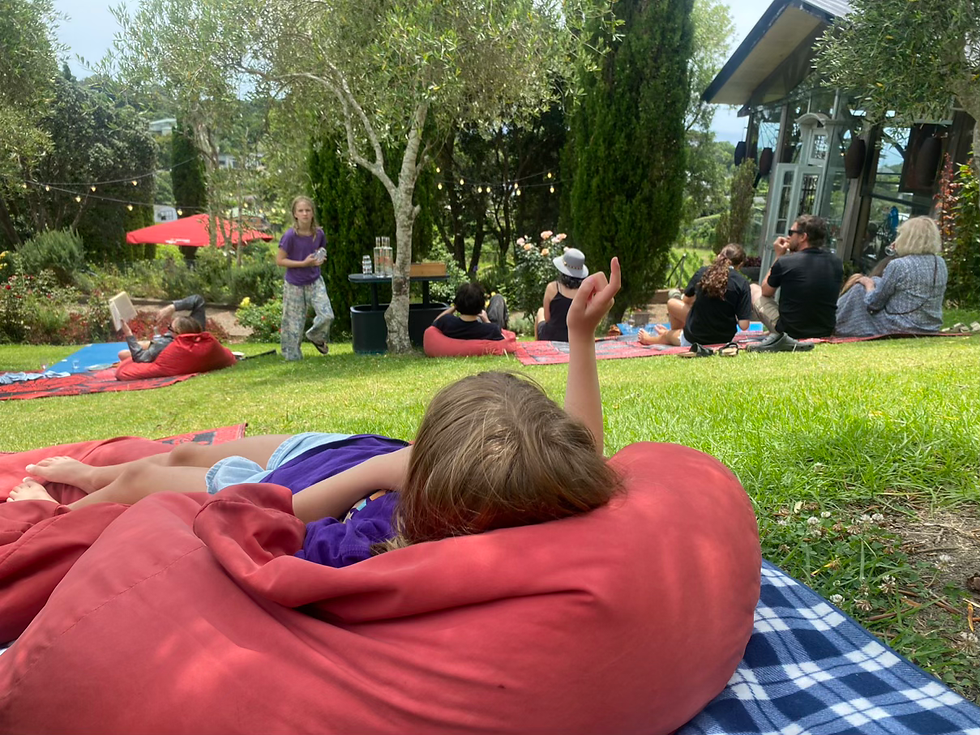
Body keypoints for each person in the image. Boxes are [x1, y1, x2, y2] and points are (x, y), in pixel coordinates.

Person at [9, 259, 623, 565]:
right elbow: (579, 452)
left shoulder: (380, 536)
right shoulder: (538, 485)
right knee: (186, 453)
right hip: (335, 449)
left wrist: (383, 472)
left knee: (146, 475)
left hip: (300, 479)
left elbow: (286, 520)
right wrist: (579, 338)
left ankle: (48, 515)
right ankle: (91, 476)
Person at [835, 216, 947, 337]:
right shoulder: (940, 263)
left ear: (907, 238)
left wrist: (868, 284)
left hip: (900, 326)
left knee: (859, 288)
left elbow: (874, 303)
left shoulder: (899, 265)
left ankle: (835, 322)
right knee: (876, 281)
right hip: (929, 326)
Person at [749, 214, 843, 352]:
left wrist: (778, 255)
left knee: (753, 289)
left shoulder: (786, 262)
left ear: (803, 237)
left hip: (791, 330)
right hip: (824, 330)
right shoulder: (836, 263)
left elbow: (766, 291)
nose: (788, 237)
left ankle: (778, 335)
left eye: (791, 232)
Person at [638, 244, 751, 350]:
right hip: (723, 339)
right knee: (675, 309)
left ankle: (648, 339)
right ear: (740, 265)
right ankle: (677, 332)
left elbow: (686, 301)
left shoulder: (703, 272)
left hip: (695, 338)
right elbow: (744, 325)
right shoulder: (743, 283)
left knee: (668, 333)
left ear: (719, 256)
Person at [277, 195, 334, 360]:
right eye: (300, 211)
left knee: (327, 315)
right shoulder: (289, 236)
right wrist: (303, 263)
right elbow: (280, 260)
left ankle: (316, 336)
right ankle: (292, 356)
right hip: (294, 284)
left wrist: (320, 258)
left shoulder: (319, 234)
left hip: (315, 281)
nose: (304, 214)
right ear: (295, 214)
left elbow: (321, 251)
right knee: (292, 323)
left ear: (312, 213)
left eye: (307, 210)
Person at [117, 294, 207, 363]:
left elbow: (140, 357)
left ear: (177, 334)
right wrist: (173, 307)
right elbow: (198, 300)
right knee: (139, 344)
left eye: (170, 328)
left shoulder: (168, 345)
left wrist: (128, 332)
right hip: (163, 341)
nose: (168, 328)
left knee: (122, 354)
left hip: (159, 347)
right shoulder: (197, 327)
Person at [535, 247, 588, 342]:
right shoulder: (585, 291)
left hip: (552, 336)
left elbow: (547, 319)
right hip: (574, 337)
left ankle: (538, 347)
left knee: (540, 311)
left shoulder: (552, 287)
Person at [432, 282, 504, 341]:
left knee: (497, 299)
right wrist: (486, 320)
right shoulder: (491, 329)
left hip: (470, 326)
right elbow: (501, 338)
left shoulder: (447, 321)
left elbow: (433, 326)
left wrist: (455, 307)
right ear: (481, 305)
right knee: (498, 298)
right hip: (481, 328)